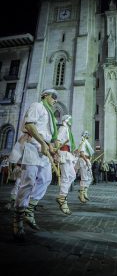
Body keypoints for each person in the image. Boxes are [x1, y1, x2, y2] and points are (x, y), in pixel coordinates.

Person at [10, 88, 58, 241]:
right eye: (54, 96)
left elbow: (47, 134)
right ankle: (18, 218)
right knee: (28, 182)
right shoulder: (37, 106)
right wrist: (42, 142)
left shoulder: (50, 115)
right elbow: (30, 125)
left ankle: (29, 210)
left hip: (43, 149)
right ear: (45, 95)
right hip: (33, 147)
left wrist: (50, 146)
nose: (55, 100)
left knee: (46, 179)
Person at [55, 115, 76, 214]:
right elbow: (58, 141)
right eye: (69, 119)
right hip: (63, 154)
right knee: (66, 176)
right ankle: (62, 198)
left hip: (68, 154)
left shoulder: (67, 130)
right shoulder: (63, 128)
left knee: (72, 175)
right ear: (65, 120)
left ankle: (62, 195)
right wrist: (58, 153)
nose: (71, 121)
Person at [76, 131, 94, 203]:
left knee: (90, 177)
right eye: (87, 134)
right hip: (84, 160)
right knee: (84, 178)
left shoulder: (86, 141)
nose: (88, 135)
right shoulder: (82, 141)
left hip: (87, 159)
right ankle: (81, 195)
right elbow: (82, 152)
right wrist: (86, 160)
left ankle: (84, 192)